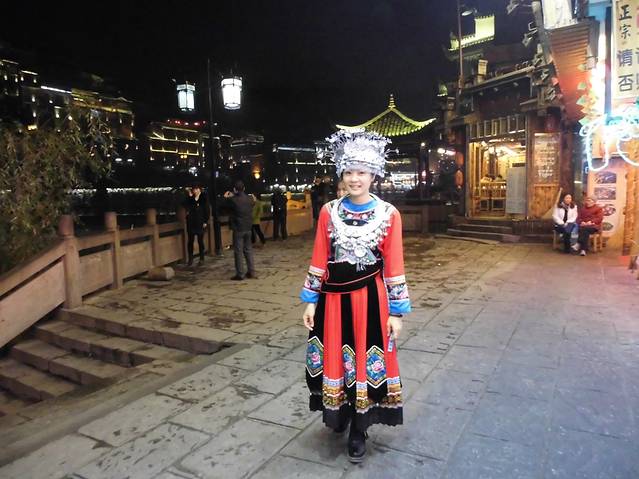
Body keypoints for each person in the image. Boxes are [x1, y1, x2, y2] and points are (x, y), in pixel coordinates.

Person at [301, 130, 410, 463]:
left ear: (374, 175)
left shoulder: (389, 214)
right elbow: (320, 256)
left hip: (370, 300)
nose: (354, 178)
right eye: (348, 171)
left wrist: (396, 312)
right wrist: (311, 299)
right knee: (337, 356)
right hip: (333, 300)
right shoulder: (328, 211)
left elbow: (394, 263)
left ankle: (359, 428)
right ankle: (340, 412)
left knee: (363, 358)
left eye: (361, 172)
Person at [224, 181, 256, 280]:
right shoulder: (250, 199)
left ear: (234, 189)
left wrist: (226, 197)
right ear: (244, 188)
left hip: (238, 228)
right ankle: (251, 272)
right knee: (248, 250)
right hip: (248, 227)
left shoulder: (233, 200)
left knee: (238, 252)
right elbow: (253, 203)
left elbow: (224, 206)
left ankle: (240, 274)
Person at [183, 185, 210, 266]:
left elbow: (207, 210)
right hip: (191, 222)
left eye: (197, 189)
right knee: (190, 241)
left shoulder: (203, 198)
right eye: (194, 189)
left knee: (200, 241)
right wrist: (190, 196)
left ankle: (202, 258)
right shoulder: (190, 198)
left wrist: (205, 221)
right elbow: (186, 205)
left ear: (200, 190)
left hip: (200, 222)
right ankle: (190, 258)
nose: (195, 191)